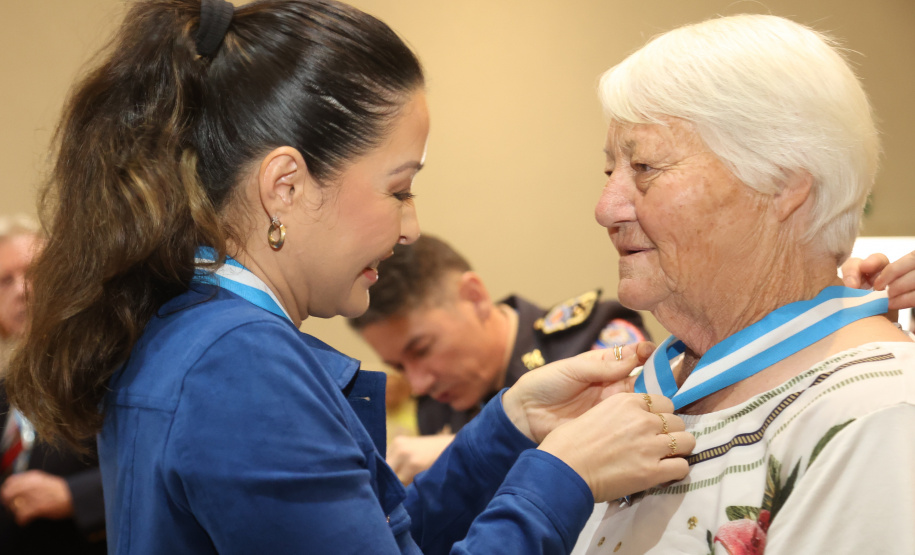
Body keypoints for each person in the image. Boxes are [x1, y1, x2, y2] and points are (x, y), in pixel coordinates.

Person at [5, 1, 695, 554]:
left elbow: (376, 532)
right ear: (285, 185)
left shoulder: (188, 324)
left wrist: (511, 425)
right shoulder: (240, 362)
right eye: (398, 189)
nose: (410, 228)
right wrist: (562, 476)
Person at [571, 14, 915, 554]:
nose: (605, 208)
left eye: (645, 166)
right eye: (609, 171)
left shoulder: (879, 415)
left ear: (782, 183)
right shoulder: (635, 395)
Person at [350, 234, 648, 484]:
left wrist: (467, 452)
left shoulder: (591, 341)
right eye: (399, 367)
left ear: (474, 296)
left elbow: (629, 444)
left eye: (422, 349)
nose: (417, 385)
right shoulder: (435, 406)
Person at [0, 215, 106, 555]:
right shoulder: (6, 392)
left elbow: (155, 468)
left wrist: (74, 496)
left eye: (33, 272)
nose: (22, 290)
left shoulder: (105, 368)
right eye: (5, 281)